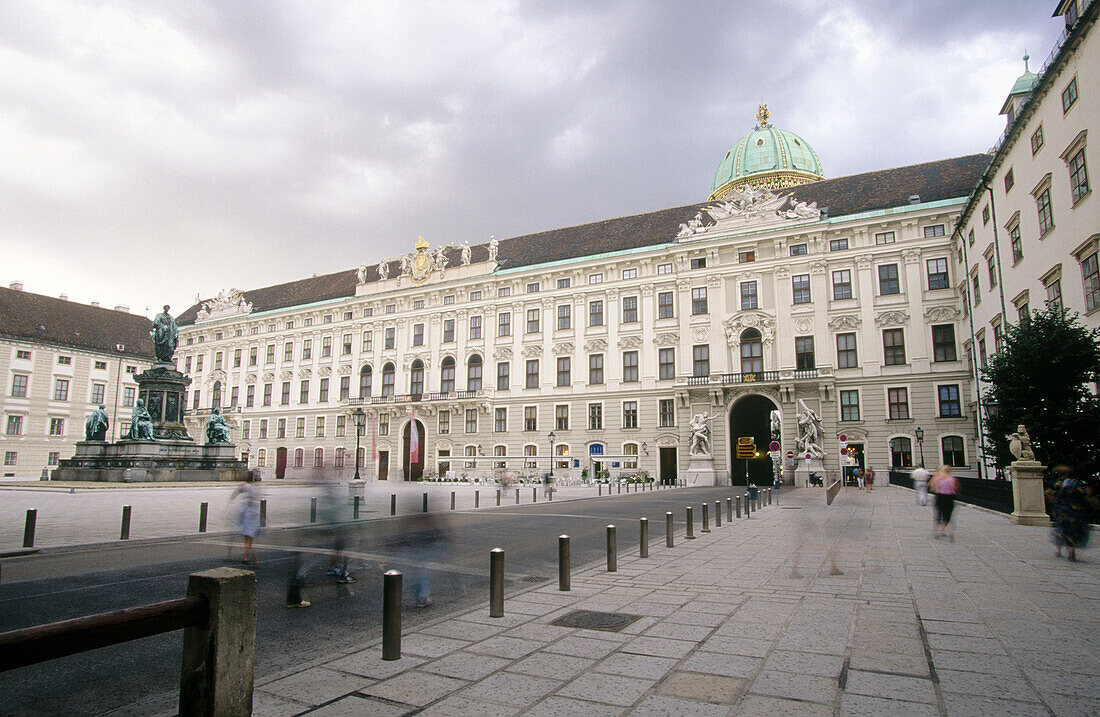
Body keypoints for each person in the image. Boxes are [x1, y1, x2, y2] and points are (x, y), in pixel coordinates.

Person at [1048, 465, 1093, 562]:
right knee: (1072, 531)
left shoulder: (1056, 483)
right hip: (1074, 510)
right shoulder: (1074, 483)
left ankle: (1058, 549)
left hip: (1061, 509)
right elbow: (1084, 494)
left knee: (1060, 528)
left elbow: (1049, 494)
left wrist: (1056, 503)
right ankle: (1071, 550)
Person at [231, 473, 262, 564]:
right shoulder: (256, 488)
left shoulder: (246, 486)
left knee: (247, 537)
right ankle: (247, 556)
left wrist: (232, 498)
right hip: (254, 513)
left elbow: (238, 490)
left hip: (248, 513)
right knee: (250, 537)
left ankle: (250, 557)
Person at [930, 465, 959, 541]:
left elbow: (932, 486)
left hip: (939, 497)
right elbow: (954, 488)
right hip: (949, 497)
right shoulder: (951, 479)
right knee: (947, 515)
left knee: (938, 515)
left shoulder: (938, 479)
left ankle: (937, 532)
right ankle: (949, 531)